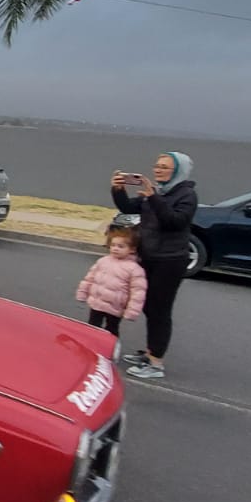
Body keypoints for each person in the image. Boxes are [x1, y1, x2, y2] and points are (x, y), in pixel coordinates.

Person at [110, 152, 197, 379]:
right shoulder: (157, 192)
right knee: (149, 307)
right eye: (156, 166)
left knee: (160, 310)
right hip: (149, 257)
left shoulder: (187, 195)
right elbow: (128, 207)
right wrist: (118, 190)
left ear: (178, 171)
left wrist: (153, 197)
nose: (157, 170)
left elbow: (174, 222)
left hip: (170, 261)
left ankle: (156, 362)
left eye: (164, 167)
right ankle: (150, 352)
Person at [76, 226, 148, 336]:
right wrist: (82, 292)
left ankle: (111, 345)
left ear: (132, 249)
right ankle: (91, 344)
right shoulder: (103, 261)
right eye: (113, 245)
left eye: (121, 246)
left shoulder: (134, 269)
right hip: (97, 302)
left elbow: (138, 292)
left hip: (115, 307)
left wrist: (132, 311)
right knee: (92, 326)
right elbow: (89, 278)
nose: (115, 248)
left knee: (112, 329)